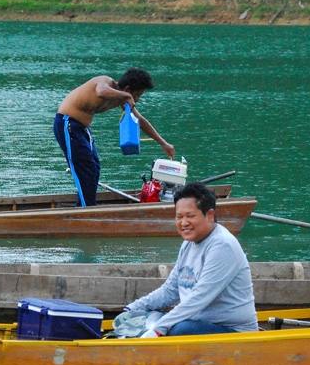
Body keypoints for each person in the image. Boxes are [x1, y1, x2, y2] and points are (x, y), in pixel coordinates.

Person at [117, 182, 257, 337]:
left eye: (190, 216)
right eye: (179, 217)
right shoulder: (188, 244)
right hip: (194, 322)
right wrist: (132, 309)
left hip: (232, 331)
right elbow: (170, 290)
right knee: (143, 314)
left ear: (209, 215)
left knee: (179, 330)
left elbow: (200, 298)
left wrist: (158, 329)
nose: (183, 223)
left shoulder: (222, 245)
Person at [54, 68, 175, 207]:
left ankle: (85, 205)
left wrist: (163, 143)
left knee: (94, 167)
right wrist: (127, 96)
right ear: (128, 89)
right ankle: (86, 209)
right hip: (67, 124)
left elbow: (139, 120)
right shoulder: (105, 82)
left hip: (82, 129)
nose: (138, 99)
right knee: (84, 168)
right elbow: (101, 91)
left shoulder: (121, 99)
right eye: (138, 94)